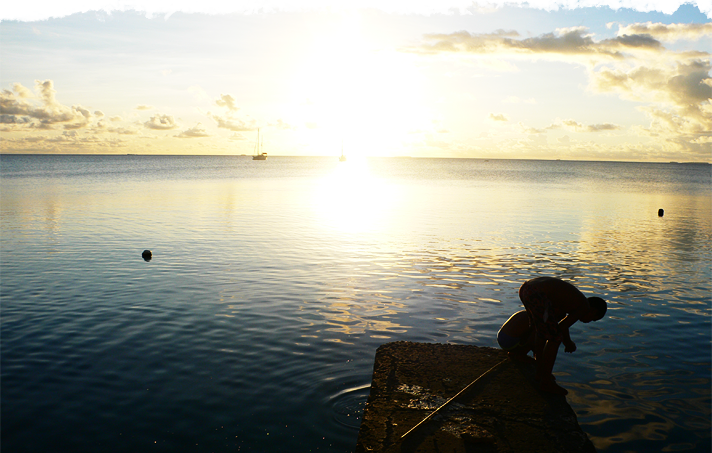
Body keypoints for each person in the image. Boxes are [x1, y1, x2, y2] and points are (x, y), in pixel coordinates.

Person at [519, 276, 607, 395]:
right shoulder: (584, 306)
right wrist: (568, 343)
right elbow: (562, 328)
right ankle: (546, 382)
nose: (587, 322)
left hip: (526, 288)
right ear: (593, 312)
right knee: (555, 338)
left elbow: (558, 323)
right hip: (537, 292)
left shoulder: (569, 301)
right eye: (592, 319)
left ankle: (540, 371)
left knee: (540, 330)